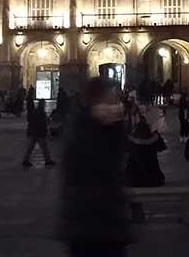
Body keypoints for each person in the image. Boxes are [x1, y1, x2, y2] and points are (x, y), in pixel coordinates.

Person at [58, 77, 132, 257]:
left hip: (109, 226)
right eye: (109, 101)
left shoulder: (109, 131)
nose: (114, 106)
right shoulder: (82, 135)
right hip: (89, 227)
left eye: (116, 101)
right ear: (94, 102)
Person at [124, 120, 166, 222]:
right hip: (154, 178)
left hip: (134, 179)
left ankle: (137, 213)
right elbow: (162, 146)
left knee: (129, 183)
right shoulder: (154, 140)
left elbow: (124, 148)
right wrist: (155, 132)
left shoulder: (131, 142)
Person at [23, 99, 56, 167]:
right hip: (38, 132)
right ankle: (47, 160)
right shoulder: (40, 112)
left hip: (34, 132)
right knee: (43, 147)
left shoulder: (36, 111)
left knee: (32, 147)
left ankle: (26, 160)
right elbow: (43, 122)